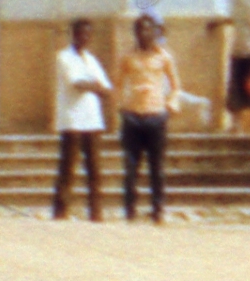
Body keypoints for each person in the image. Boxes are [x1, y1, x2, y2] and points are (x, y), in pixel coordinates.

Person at [116, 15, 182, 224]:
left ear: (156, 32)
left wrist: (170, 105)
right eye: (141, 30)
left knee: (157, 167)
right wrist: (122, 107)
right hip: (133, 116)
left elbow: (175, 86)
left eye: (149, 30)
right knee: (130, 166)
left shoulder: (164, 57)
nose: (145, 34)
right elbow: (117, 84)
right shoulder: (127, 57)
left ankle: (158, 210)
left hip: (156, 115)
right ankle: (130, 211)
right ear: (136, 33)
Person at [52, 19, 111, 222]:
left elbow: (106, 88)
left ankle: (96, 212)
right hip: (72, 120)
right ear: (73, 34)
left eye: (88, 34)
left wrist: (95, 86)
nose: (84, 38)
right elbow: (77, 83)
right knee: (68, 167)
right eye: (80, 34)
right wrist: (94, 86)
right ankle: (61, 210)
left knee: (94, 168)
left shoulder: (91, 60)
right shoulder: (64, 57)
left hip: (92, 120)